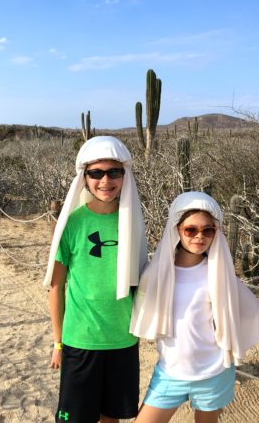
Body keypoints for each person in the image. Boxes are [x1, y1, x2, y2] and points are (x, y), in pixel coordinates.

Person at [130, 191, 259, 423]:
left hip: (214, 373)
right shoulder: (156, 273)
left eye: (208, 230)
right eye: (190, 230)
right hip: (171, 372)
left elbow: (248, 311)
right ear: (176, 229)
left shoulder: (220, 274)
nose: (199, 236)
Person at [43, 136, 148, 423]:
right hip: (81, 339)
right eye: (96, 173)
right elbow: (56, 286)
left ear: (124, 176)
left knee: (111, 417)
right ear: (85, 178)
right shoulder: (72, 224)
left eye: (114, 172)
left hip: (122, 340)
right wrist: (58, 342)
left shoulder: (133, 222)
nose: (105, 180)